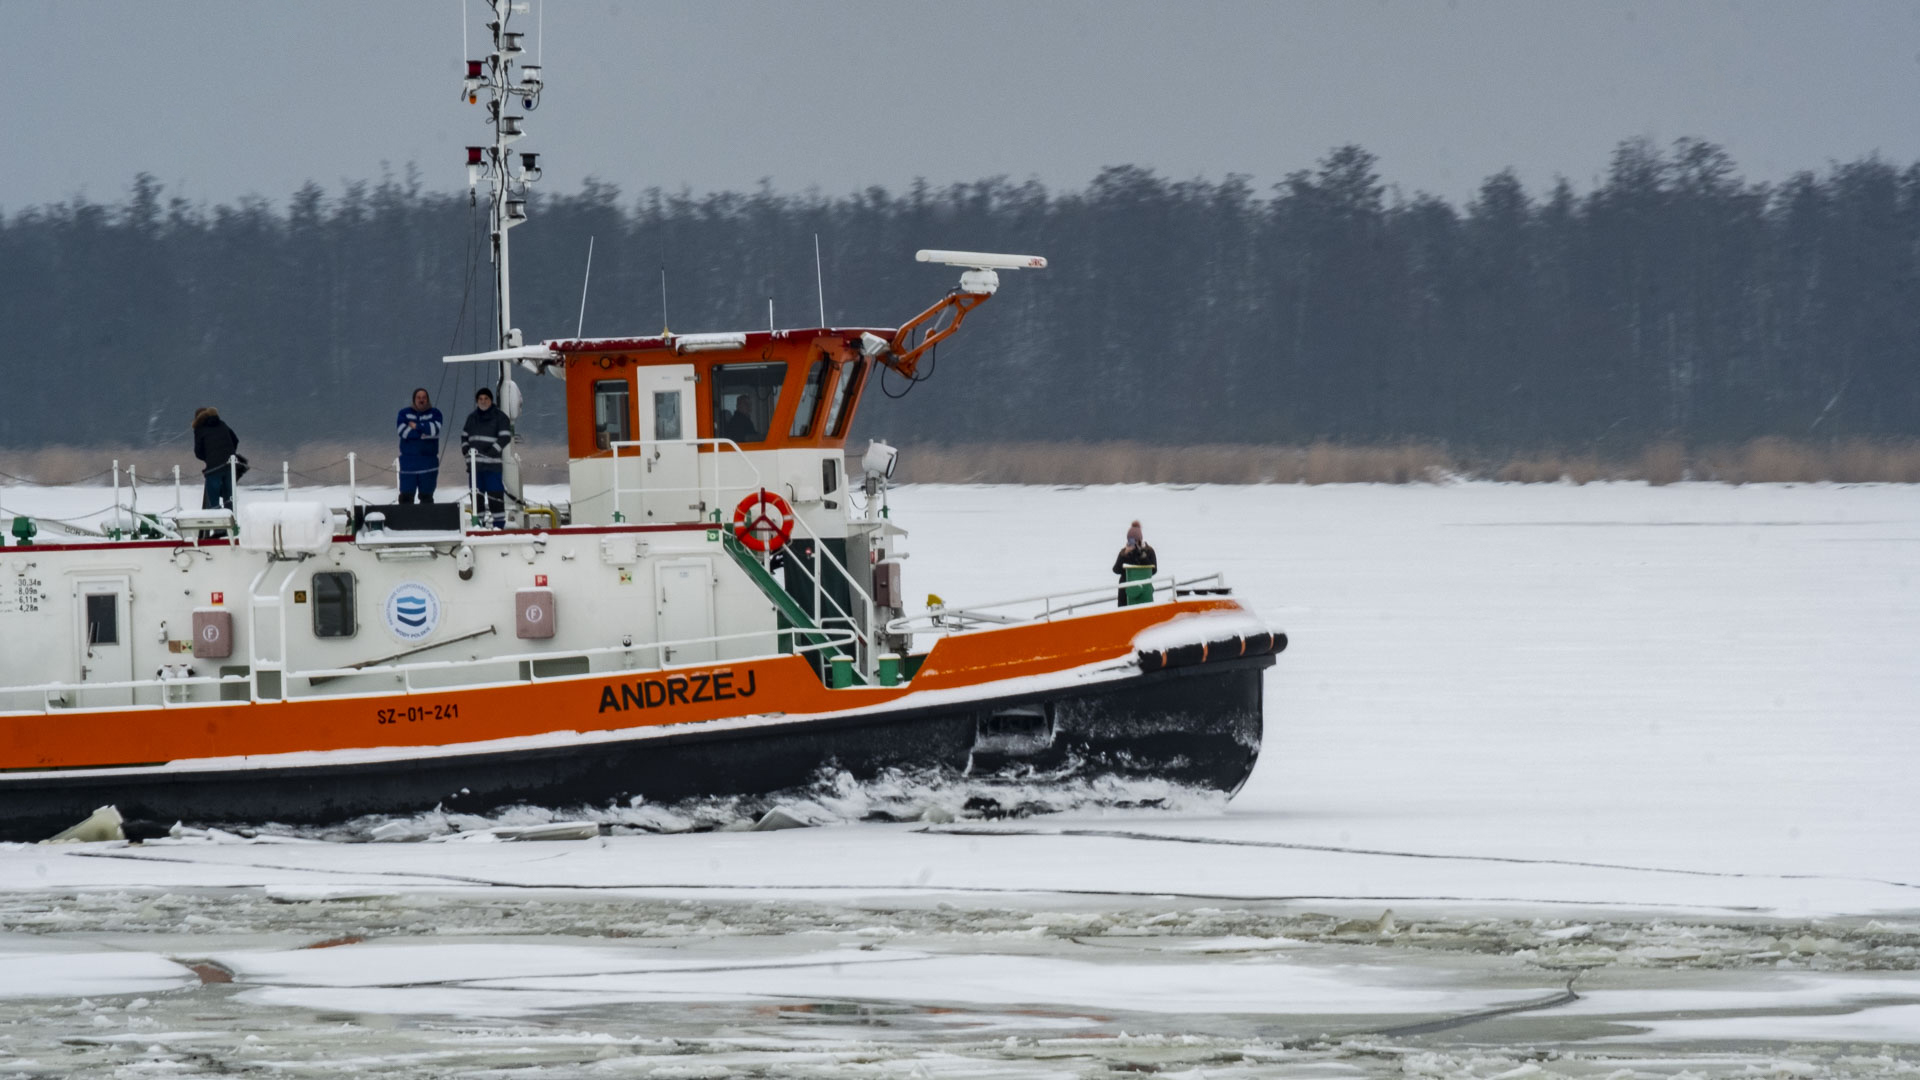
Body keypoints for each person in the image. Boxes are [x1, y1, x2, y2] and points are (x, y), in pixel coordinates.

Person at [461, 386, 513, 527]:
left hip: (492, 466)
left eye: (486, 399)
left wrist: (492, 452)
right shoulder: (472, 418)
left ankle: (499, 525)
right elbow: (464, 437)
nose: (483, 401)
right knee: (476, 497)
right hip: (474, 467)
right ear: (477, 401)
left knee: (495, 495)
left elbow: (505, 437)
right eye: (480, 399)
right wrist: (466, 450)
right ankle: (478, 524)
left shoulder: (500, 417)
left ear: (491, 400)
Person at [191, 407, 241, 535]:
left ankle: (219, 529)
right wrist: (229, 454)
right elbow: (235, 440)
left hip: (213, 468)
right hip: (229, 465)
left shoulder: (199, 428)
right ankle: (232, 528)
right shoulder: (222, 424)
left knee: (213, 501)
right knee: (228, 498)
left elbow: (198, 452)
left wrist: (208, 458)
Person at [395, 387, 444, 504]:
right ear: (414, 399)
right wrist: (423, 432)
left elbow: (434, 430)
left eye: (424, 398)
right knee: (406, 497)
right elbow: (403, 432)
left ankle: (427, 521)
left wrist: (416, 426)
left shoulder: (435, 413)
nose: (421, 400)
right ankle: (406, 521)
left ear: (427, 399)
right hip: (408, 464)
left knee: (427, 497)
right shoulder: (403, 413)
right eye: (418, 397)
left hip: (429, 463)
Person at [1112, 520, 1157, 606]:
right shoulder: (1124, 552)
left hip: (1143, 590)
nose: (1133, 543)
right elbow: (1116, 570)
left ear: (1140, 540)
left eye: (1135, 541)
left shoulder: (1148, 551)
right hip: (1125, 591)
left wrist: (1142, 556)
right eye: (1130, 540)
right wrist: (1124, 555)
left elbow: (1153, 570)